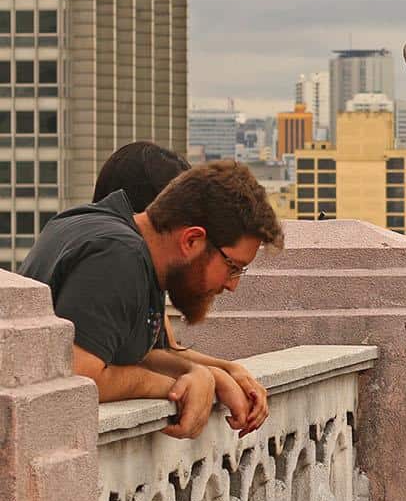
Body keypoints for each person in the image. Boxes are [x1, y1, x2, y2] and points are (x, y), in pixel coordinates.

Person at [21, 160, 283, 439]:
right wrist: (174, 386)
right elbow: (81, 376)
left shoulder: (124, 242)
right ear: (192, 240)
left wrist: (216, 372)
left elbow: (133, 351)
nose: (232, 285)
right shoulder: (118, 257)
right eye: (232, 267)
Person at [88, 142, 273, 439]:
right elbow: (98, 371)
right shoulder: (119, 261)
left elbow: (160, 350)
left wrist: (227, 370)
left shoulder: (137, 265)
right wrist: (208, 376)